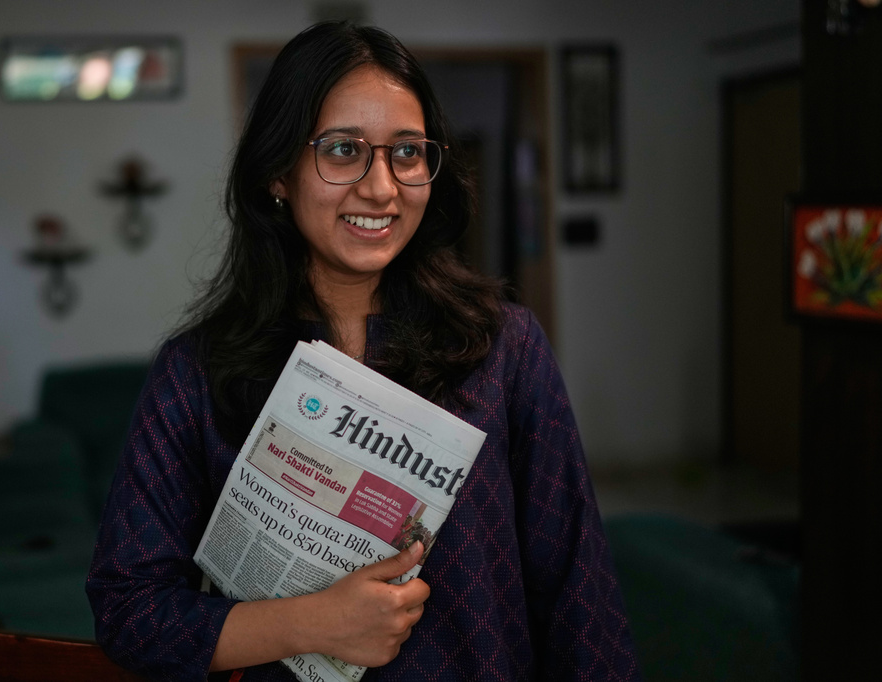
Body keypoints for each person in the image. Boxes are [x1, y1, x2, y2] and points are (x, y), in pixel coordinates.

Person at [86, 21, 639, 682]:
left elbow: (580, 597)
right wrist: (317, 623)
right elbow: (129, 612)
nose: (381, 187)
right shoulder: (196, 372)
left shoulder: (503, 347)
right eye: (344, 150)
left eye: (407, 153)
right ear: (277, 173)